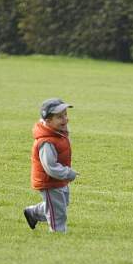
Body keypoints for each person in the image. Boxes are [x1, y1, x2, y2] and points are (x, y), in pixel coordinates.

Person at [23, 98, 78, 233]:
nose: (65, 119)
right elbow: (50, 167)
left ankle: (33, 213)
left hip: (59, 179)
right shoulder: (46, 142)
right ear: (47, 121)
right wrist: (68, 173)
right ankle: (58, 232)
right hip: (49, 181)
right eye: (60, 117)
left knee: (60, 204)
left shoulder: (58, 133)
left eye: (65, 115)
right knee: (58, 213)